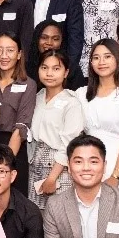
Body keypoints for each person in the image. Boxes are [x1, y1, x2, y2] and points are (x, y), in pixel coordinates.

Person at [75, 40, 119, 193]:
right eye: (96, 58)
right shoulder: (81, 94)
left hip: (118, 165)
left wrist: (116, 175)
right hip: (87, 164)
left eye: (107, 57)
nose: (101, 62)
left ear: (118, 59)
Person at [28, 49, 85, 209]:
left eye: (56, 68)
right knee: (36, 219)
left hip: (59, 168)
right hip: (35, 164)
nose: (49, 73)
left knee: (59, 218)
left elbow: (68, 144)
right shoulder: (37, 97)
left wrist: (52, 178)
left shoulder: (71, 102)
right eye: (44, 68)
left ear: (66, 72)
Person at [0, 33, 36, 196]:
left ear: (19, 54)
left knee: (14, 205)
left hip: (14, 148)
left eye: (10, 50)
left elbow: (21, 126)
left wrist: (4, 164)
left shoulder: (28, 84)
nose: (4, 56)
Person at [27, 19, 84, 90]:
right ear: (36, 39)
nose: (49, 42)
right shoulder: (26, 67)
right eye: (44, 37)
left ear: (61, 42)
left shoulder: (72, 68)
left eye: (55, 39)